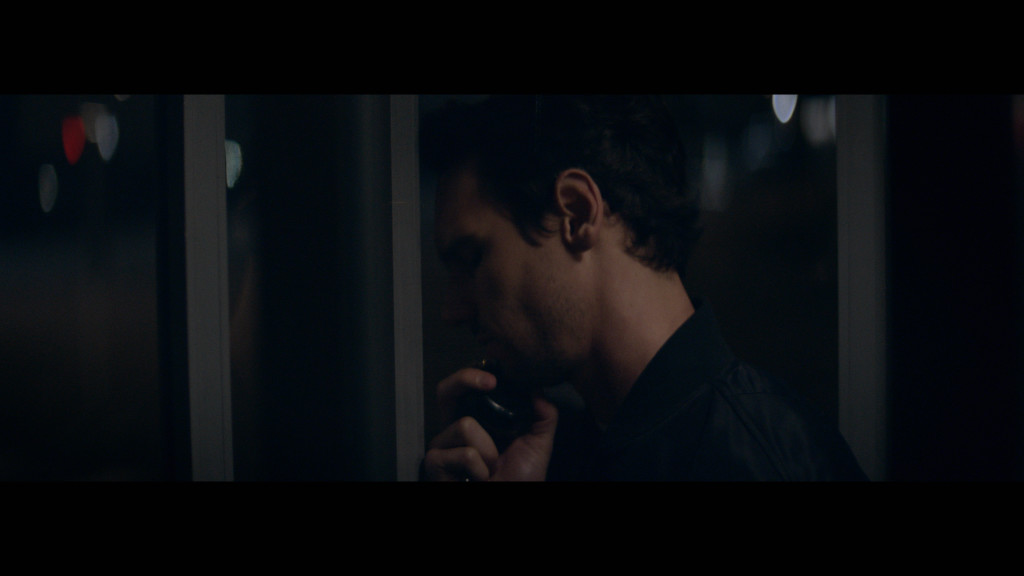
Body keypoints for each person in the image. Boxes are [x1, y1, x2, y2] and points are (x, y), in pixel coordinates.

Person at [418, 95, 867, 481]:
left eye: (471, 259)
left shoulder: (757, 461)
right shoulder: (555, 452)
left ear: (576, 212)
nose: (451, 310)